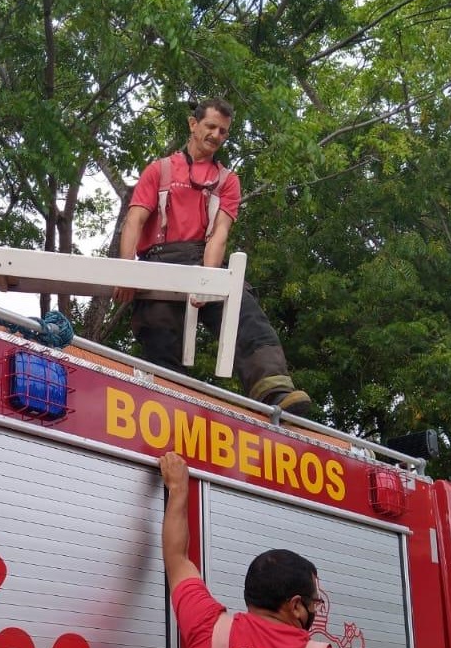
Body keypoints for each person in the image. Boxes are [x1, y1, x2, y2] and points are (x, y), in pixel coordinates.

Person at [159, 451, 371, 648]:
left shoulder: (208, 632)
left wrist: (178, 489)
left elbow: (177, 558)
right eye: (315, 604)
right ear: (296, 605)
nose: (315, 611)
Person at [114, 98, 312, 417]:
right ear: (194, 125)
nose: (216, 135)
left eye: (223, 131)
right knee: (161, 332)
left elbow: (219, 234)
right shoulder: (160, 170)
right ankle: (166, 402)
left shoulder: (227, 181)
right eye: (211, 127)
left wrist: (208, 281)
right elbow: (134, 221)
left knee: (245, 312)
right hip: (159, 261)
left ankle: (274, 391)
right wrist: (125, 272)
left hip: (201, 259)